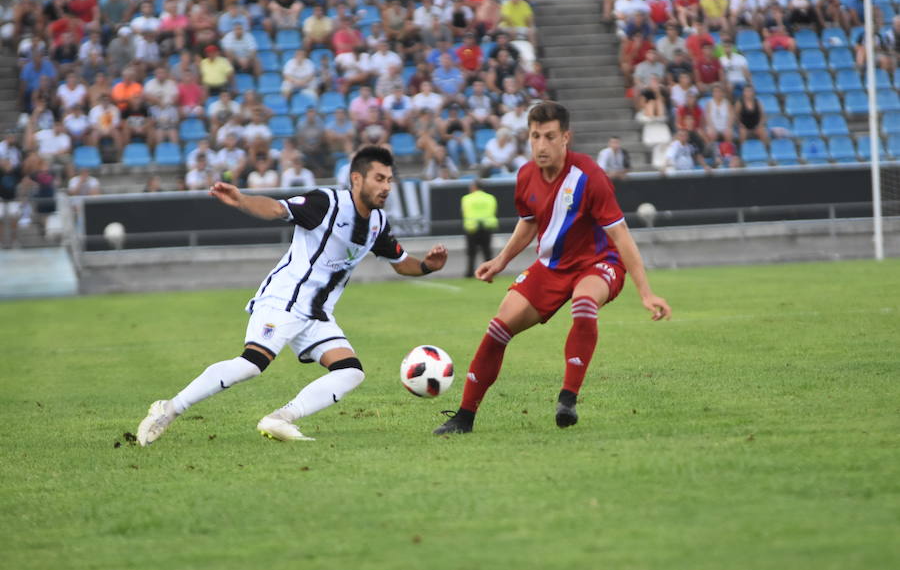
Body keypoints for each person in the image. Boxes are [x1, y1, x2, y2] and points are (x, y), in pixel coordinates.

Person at [137, 146, 449, 446]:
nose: (386, 187)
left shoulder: (377, 223)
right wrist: (243, 200)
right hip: (284, 300)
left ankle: (280, 418)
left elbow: (401, 262)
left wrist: (426, 266)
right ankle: (169, 408)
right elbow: (277, 208)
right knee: (251, 364)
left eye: (389, 180)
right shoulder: (326, 203)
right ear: (357, 179)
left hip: (317, 314)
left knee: (350, 372)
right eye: (379, 179)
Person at [434, 102, 671, 435]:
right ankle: (464, 417)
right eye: (534, 136)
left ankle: (567, 399)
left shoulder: (589, 176)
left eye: (548, 136)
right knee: (497, 330)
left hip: (598, 263)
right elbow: (528, 223)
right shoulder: (525, 175)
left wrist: (646, 292)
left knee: (584, 304)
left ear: (565, 138)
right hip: (550, 268)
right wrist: (501, 260)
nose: (540, 145)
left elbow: (621, 236)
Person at [461, 179, 498, 279]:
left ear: (474, 187)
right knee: (487, 252)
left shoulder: (466, 198)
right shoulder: (490, 198)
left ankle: (469, 273)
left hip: (472, 227)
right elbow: (493, 210)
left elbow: (465, 211)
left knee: (471, 252)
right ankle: (490, 271)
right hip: (487, 226)